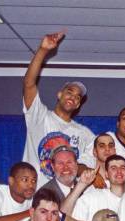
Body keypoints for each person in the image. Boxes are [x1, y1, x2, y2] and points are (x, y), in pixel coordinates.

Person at [22, 31, 95, 188]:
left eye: (77, 97)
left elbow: (95, 157)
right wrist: (43, 50)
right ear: (60, 94)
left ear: (78, 105)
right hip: (34, 195)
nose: (73, 97)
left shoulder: (84, 133)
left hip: (65, 199)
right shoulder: (40, 117)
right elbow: (29, 84)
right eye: (69, 92)